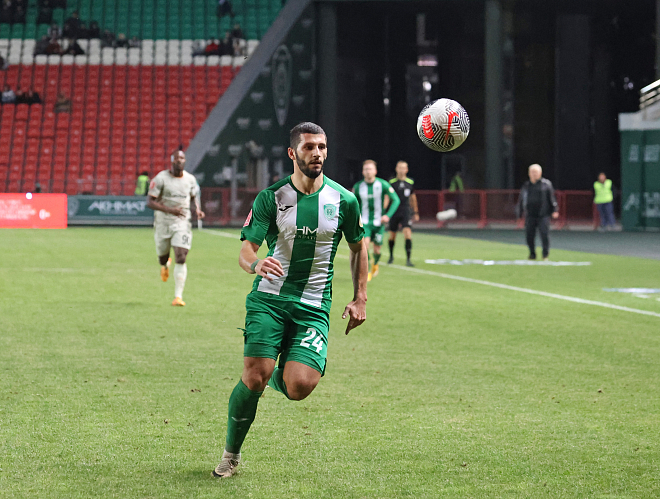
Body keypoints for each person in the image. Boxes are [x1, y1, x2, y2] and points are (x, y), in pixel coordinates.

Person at [213, 122, 368, 479]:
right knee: (254, 376)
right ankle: (231, 455)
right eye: (309, 147)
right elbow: (246, 250)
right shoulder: (272, 198)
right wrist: (255, 264)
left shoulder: (344, 200)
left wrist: (360, 297)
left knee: (300, 386)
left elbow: (359, 248)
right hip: (269, 299)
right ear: (292, 153)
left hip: (313, 305)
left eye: (322, 147)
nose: (317, 153)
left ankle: (275, 373)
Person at [147, 150, 204, 306]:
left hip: (182, 222)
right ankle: (165, 264)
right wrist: (171, 210)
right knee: (162, 257)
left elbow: (194, 196)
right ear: (172, 161)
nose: (179, 160)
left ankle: (178, 297)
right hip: (163, 222)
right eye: (176, 158)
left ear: (185, 161)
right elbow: (149, 202)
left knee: (181, 256)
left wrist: (198, 210)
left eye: (182, 158)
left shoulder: (190, 179)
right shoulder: (161, 178)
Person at [352, 159, 400, 281]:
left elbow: (396, 200)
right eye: (366, 169)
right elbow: (352, 203)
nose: (368, 171)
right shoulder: (358, 186)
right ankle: (367, 271)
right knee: (365, 246)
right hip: (364, 222)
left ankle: (376, 263)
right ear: (363, 172)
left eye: (370, 169)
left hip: (379, 222)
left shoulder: (383, 184)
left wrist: (388, 215)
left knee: (377, 250)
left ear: (375, 171)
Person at [516, 164, 559, 261]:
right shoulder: (526, 186)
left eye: (536, 172)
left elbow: (552, 198)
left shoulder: (546, 184)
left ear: (540, 173)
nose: (534, 174)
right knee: (529, 236)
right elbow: (521, 200)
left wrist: (554, 210)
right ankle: (532, 254)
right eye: (532, 172)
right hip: (530, 215)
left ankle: (545, 255)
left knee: (544, 235)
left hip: (543, 215)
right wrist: (519, 214)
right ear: (529, 173)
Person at [387, 161, 419, 266]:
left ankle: (408, 259)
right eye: (399, 167)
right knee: (392, 235)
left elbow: (413, 197)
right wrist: (385, 211)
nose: (401, 170)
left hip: (405, 210)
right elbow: (387, 197)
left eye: (403, 168)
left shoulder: (410, 182)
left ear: (407, 170)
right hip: (394, 211)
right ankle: (391, 256)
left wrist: (415, 212)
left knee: (408, 233)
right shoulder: (391, 182)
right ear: (396, 169)